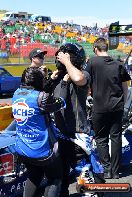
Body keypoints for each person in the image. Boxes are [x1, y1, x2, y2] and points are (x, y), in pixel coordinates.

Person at [53, 43, 105, 197]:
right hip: (60, 134)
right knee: (60, 175)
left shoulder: (83, 74)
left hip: (77, 135)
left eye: (66, 57)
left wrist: (67, 62)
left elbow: (78, 78)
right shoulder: (57, 76)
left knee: (82, 172)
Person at [12, 67, 66, 197]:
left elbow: (39, 99)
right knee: (55, 177)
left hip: (23, 148)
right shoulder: (42, 98)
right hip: (42, 150)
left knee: (34, 176)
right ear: (38, 81)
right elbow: (61, 103)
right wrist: (63, 83)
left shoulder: (16, 94)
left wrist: (50, 81)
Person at [85, 37, 131, 179]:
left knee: (101, 138)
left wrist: (87, 96)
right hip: (117, 107)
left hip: (100, 107)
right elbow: (125, 87)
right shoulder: (118, 63)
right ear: (107, 48)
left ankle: (106, 169)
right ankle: (116, 172)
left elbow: (86, 82)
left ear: (95, 49)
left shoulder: (92, 62)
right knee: (116, 137)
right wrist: (123, 104)